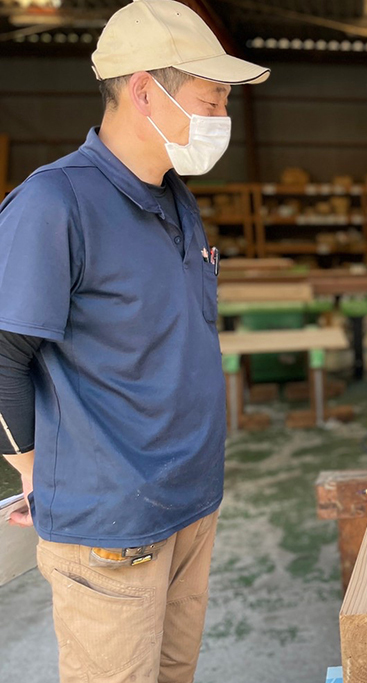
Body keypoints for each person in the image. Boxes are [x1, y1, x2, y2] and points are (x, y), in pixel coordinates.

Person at [0, 1, 269, 681]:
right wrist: (35, 471)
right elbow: (4, 354)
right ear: (145, 88)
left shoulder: (176, 196)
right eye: (211, 99)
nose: (220, 118)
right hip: (111, 525)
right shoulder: (54, 204)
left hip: (191, 505)